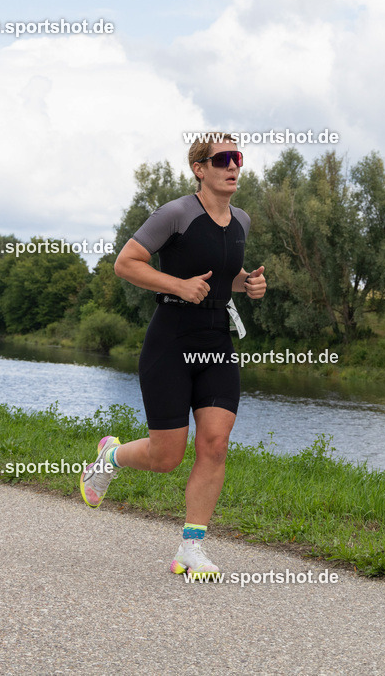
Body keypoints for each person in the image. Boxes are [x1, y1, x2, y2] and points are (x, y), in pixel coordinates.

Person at [80, 133, 266, 578]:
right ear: (200, 168)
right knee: (167, 457)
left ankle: (191, 547)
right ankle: (110, 458)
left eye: (237, 158)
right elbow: (127, 262)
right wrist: (178, 285)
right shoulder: (176, 214)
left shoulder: (241, 219)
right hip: (172, 339)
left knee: (215, 443)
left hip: (217, 340)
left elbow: (226, 276)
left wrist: (249, 285)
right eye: (222, 159)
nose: (232, 165)